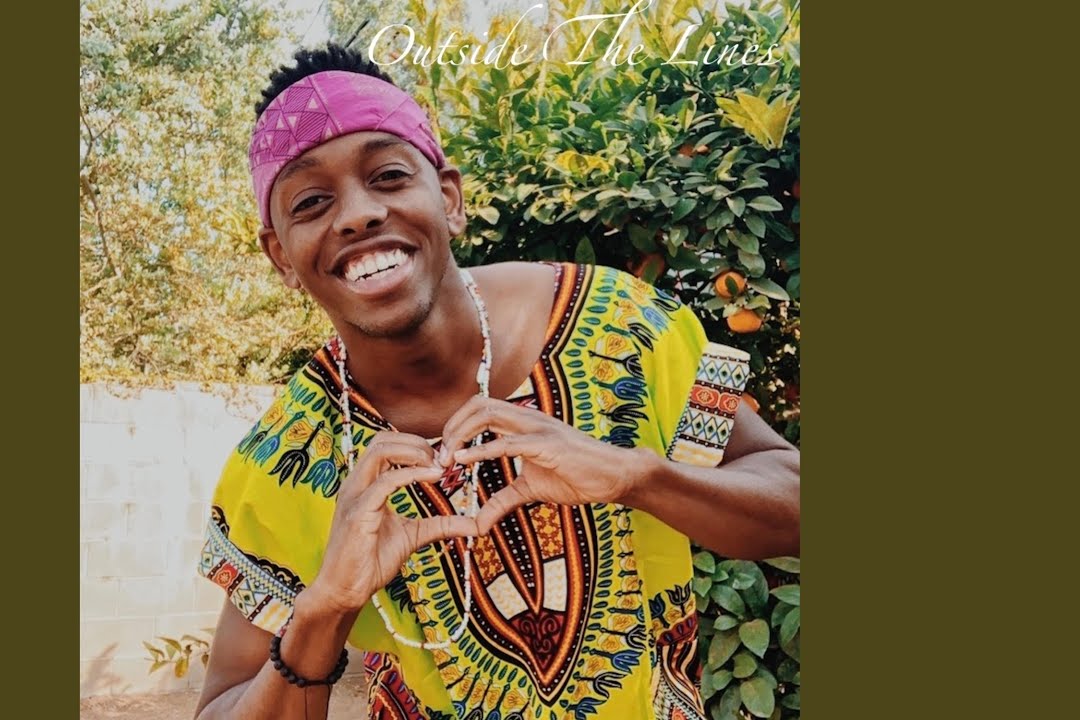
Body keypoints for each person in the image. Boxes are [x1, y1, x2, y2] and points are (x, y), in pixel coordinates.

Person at [194, 42, 799, 720]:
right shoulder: (286, 458)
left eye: (388, 176)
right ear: (281, 255)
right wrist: (326, 608)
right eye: (311, 202)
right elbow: (221, 704)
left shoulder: (626, 325)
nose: (357, 214)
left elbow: (796, 497)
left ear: (449, 199)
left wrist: (637, 477)